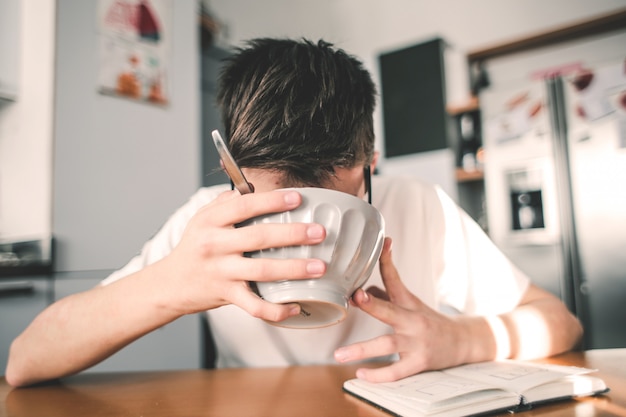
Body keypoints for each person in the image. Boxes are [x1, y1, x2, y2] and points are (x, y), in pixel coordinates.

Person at [5, 38, 582, 388]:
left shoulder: (418, 205)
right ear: (233, 171)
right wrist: (166, 285)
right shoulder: (206, 223)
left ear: (371, 161)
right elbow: (24, 361)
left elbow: (560, 323)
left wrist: (467, 339)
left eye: (334, 200)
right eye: (271, 198)